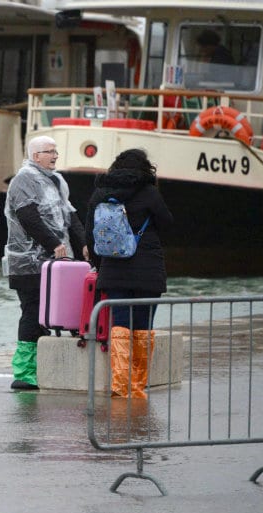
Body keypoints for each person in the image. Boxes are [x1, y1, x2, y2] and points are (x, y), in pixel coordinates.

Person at [85, 149, 173, 399]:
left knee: (120, 326)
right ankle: (137, 386)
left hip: (113, 269)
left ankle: (120, 385)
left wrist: (99, 265)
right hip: (148, 270)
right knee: (143, 328)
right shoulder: (149, 193)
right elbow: (168, 223)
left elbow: (91, 235)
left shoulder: (100, 193)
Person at [3, 136, 88, 391]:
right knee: (32, 309)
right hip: (28, 263)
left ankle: (46, 367)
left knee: (57, 310)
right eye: (48, 152)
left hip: (57, 261)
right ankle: (25, 372)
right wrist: (53, 243)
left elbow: (70, 214)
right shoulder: (23, 180)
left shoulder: (57, 180)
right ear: (35, 155)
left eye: (55, 151)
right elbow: (27, 216)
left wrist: (84, 242)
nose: (54, 155)